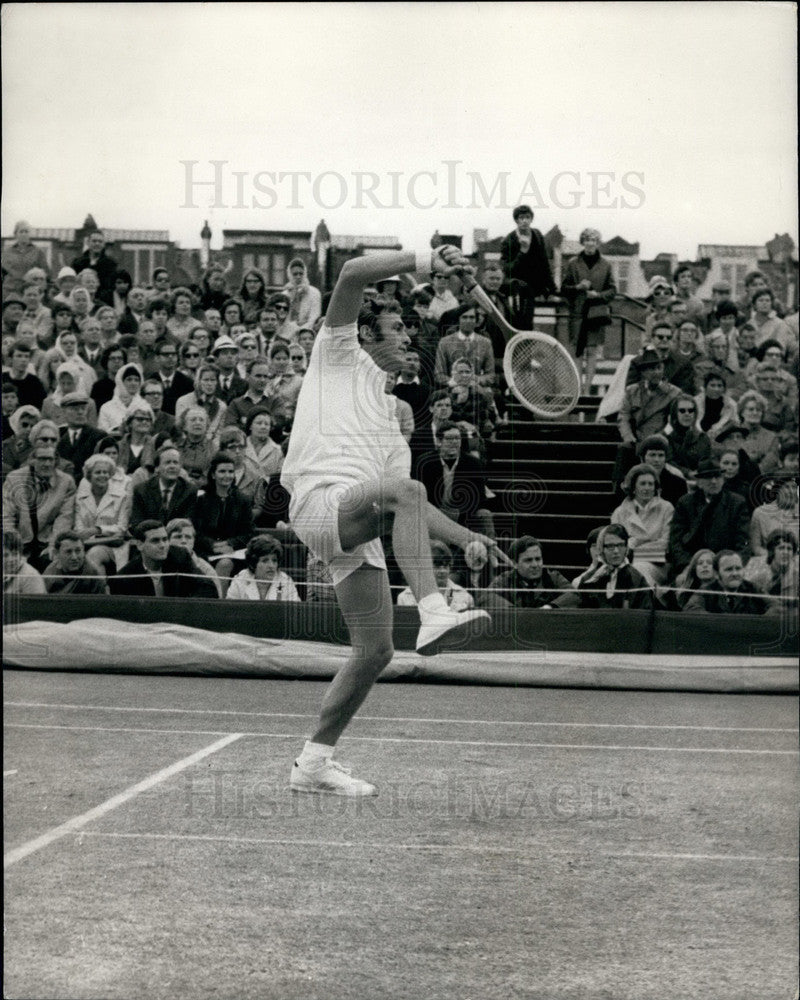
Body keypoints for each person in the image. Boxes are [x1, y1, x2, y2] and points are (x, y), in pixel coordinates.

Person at [280, 245, 506, 796]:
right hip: (318, 502)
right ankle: (432, 608)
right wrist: (428, 259)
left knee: (375, 650)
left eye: (411, 331)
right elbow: (355, 272)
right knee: (402, 491)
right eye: (398, 330)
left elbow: (413, 505)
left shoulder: (391, 416)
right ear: (367, 336)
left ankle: (313, 763)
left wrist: (467, 535)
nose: (410, 340)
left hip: (353, 523)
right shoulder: (337, 353)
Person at [667, 458, 750, 575]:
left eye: (717, 477)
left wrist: (729, 566)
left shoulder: (737, 503)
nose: (714, 481)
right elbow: (676, 542)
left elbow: (743, 542)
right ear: (699, 482)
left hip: (725, 567)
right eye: (708, 477)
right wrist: (688, 565)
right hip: (692, 566)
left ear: (723, 480)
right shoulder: (685, 503)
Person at [3, 442, 77, 569]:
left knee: (53, 565)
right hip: (19, 541)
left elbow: (64, 519)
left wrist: (53, 546)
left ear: (56, 461)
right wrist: (14, 549)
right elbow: (7, 517)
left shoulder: (66, 482)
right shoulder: (14, 478)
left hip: (48, 542)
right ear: (32, 460)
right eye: (42, 459)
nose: (47, 464)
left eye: (50, 459)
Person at [560, 228, 616, 394]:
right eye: (587, 239)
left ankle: (586, 389)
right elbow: (563, 289)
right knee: (578, 351)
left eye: (594, 240)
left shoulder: (606, 265)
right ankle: (577, 388)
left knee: (592, 351)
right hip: (577, 313)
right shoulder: (573, 263)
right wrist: (577, 287)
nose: (590, 243)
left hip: (596, 313)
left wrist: (598, 295)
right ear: (582, 242)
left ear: (598, 243)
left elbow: (613, 290)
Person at [191, 451, 254, 592]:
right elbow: (195, 530)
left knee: (225, 563)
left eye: (231, 472)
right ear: (213, 474)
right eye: (222, 471)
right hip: (205, 550)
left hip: (233, 553)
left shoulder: (242, 500)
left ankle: (219, 602)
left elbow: (248, 532)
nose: (227, 476)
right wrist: (212, 545)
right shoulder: (201, 499)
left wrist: (230, 544)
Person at [551, 524, 653, 610]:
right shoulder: (591, 579)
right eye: (610, 546)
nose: (616, 551)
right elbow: (579, 603)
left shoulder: (637, 579)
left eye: (620, 545)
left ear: (626, 547)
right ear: (601, 549)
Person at [109, 519, 217, 598]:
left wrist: (184, 609)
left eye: (165, 539)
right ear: (139, 545)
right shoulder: (125, 577)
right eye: (155, 541)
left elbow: (208, 587)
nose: (163, 545)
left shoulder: (180, 556)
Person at [611, 463, 674, 585]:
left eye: (651, 484)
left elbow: (666, 544)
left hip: (658, 565)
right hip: (625, 563)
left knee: (637, 570)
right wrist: (646, 542)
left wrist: (633, 545)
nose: (647, 488)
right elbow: (615, 544)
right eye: (642, 483)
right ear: (633, 487)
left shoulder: (666, 508)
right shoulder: (620, 512)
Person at [73, 452, 132, 574]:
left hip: (115, 548)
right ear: (89, 475)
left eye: (105, 472)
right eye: (98, 472)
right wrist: (106, 534)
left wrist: (97, 530)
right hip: (86, 545)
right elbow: (79, 531)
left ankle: (99, 591)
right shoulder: (80, 498)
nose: (102, 476)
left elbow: (121, 529)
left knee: (94, 554)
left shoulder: (122, 496)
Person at [499, 205, 557, 327]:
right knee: (519, 323)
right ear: (516, 220)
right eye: (521, 218)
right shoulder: (509, 240)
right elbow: (507, 269)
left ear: (531, 219)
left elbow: (544, 262)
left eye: (527, 217)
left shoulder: (537, 235)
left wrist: (551, 289)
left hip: (535, 288)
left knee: (529, 324)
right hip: (517, 290)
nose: (524, 221)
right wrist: (522, 252)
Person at [489, 536, 569, 609]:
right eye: (528, 560)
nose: (535, 565)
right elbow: (486, 596)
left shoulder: (553, 578)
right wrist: (512, 610)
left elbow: (574, 595)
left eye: (538, 559)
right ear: (515, 564)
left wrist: (550, 607)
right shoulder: (506, 579)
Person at [130, 444, 198, 527]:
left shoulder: (189, 490)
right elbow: (137, 523)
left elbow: (188, 524)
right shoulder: (141, 490)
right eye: (167, 462)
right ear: (157, 468)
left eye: (176, 462)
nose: (172, 466)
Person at [683, 549, 767, 615]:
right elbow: (691, 609)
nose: (735, 573)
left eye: (738, 568)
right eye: (729, 569)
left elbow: (777, 608)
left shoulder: (753, 588)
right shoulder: (706, 591)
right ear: (716, 574)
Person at [397, 540, 474, 610]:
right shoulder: (405, 597)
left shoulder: (464, 596)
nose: (442, 571)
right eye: (437, 566)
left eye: (446, 565)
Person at [434, 304, 495, 388]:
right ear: (458, 320)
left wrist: (476, 380)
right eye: (464, 317)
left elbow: (491, 375)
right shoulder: (445, 342)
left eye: (471, 317)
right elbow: (438, 374)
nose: (468, 321)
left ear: (476, 321)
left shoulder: (485, 343)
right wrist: (455, 382)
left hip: (477, 390)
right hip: (452, 390)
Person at [226, 534, 301, 601]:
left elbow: (295, 613)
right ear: (253, 563)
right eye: (265, 561)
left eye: (274, 560)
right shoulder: (240, 580)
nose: (271, 566)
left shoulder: (286, 582)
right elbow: (230, 611)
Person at [165, 517, 223, 597]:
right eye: (178, 537)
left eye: (188, 537)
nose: (183, 541)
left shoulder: (206, 569)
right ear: (168, 540)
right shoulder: (160, 562)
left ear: (194, 541)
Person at [56, 391, 106, 481]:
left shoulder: (98, 436)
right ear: (63, 412)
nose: (80, 412)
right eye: (75, 409)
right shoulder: (57, 436)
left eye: (83, 409)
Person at [42, 531, 108, 595]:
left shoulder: (93, 575)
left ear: (83, 551)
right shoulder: (50, 574)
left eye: (78, 551)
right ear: (57, 553)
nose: (74, 557)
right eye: (68, 552)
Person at [663, 395, 712, 479]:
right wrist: (688, 473)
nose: (687, 414)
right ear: (675, 413)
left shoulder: (702, 438)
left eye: (691, 410)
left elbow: (707, 462)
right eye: (682, 411)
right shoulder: (666, 438)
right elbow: (668, 462)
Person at [175, 363, 228, 439]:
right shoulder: (183, 401)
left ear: (217, 382)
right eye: (206, 380)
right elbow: (179, 430)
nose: (209, 384)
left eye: (213, 380)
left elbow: (218, 435)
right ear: (199, 381)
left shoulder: (221, 406)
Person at [2, 221, 50, 295]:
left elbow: (46, 273)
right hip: (10, 291)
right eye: (21, 232)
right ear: (15, 234)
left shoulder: (38, 252)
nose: (24, 234)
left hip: (30, 292)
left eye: (26, 232)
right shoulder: (7, 252)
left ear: (29, 234)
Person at [97, 362, 144, 436]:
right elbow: (102, 434)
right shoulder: (106, 407)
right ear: (121, 382)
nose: (133, 383)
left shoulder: (144, 406)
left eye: (136, 380)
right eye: (129, 379)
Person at [694, 372, 738, 441]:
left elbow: (734, 422)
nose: (716, 389)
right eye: (712, 385)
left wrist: (720, 431)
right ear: (705, 387)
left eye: (720, 386)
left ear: (724, 388)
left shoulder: (731, 404)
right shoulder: (695, 402)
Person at [3, 527, 46, 595]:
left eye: (15, 554)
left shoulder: (31, 576)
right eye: (5, 555)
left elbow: (35, 605)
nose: (11, 559)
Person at [243, 407, 283, 480]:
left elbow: (280, 479)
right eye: (259, 423)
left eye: (267, 424)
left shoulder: (278, 451)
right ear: (250, 426)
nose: (263, 427)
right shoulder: (240, 447)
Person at [2, 404, 40, 480]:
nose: (28, 429)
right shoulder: (4, 445)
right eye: (25, 425)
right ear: (16, 423)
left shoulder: (37, 448)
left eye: (32, 426)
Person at [282, 258, 322, 328]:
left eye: (301, 273)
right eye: (295, 274)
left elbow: (314, 317)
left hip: (308, 333)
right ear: (289, 275)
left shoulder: (314, 293)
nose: (298, 277)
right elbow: (283, 318)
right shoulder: (284, 295)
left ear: (305, 274)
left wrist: (301, 330)